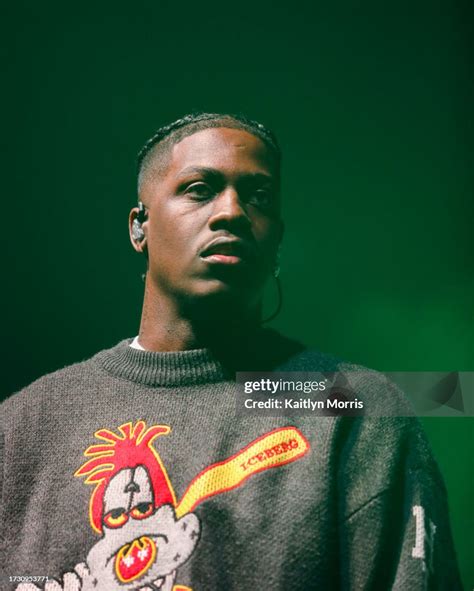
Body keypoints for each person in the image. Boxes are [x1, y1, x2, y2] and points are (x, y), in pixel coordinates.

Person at [0, 113, 462, 590]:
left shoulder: (352, 408)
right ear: (140, 227)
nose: (232, 212)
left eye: (258, 196)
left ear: (277, 240)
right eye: (199, 189)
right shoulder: (19, 428)